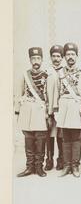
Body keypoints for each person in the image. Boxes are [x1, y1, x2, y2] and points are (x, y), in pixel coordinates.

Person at [53, 43, 81, 178]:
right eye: (68, 54)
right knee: (65, 136)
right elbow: (56, 92)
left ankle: (75, 165)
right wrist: (55, 109)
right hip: (63, 107)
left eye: (72, 54)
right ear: (64, 57)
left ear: (76, 56)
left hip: (76, 108)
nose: (70, 57)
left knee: (76, 137)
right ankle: (67, 165)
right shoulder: (60, 73)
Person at [15, 47, 51, 177]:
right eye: (33, 58)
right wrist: (17, 112)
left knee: (40, 139)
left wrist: (49, 112)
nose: (36, 61)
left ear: (41, 60)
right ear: (30, 60)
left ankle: (39, 167)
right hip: (27, 110)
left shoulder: (46, 75)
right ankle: (29, 167)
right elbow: (19, 93)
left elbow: (49, 95)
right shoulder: (25, 75)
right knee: (29, 139)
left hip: (40, 110)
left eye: (38, 58)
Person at [46, 45, 65, 171]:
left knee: (61, 135)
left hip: (62, 109)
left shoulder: (65, 72)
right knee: (49, 135)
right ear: (51, 57)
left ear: (62, 58)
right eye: (54, 56)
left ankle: (61, 159)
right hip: (49, 108)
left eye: (58, 56)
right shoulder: (46, 72)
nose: (56, 59)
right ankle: (49, 160)